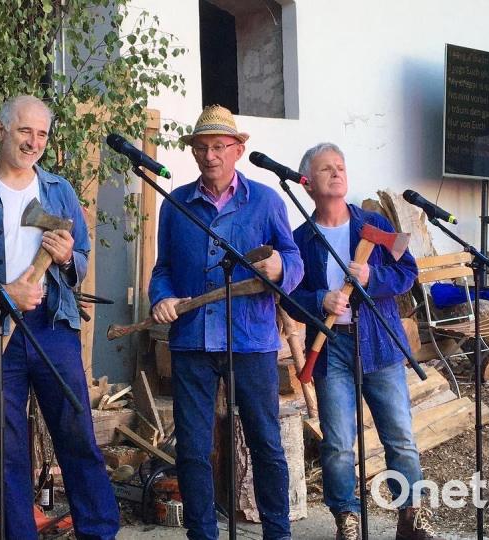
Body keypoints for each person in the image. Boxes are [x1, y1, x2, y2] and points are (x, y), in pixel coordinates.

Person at [0, 95, 119, 540]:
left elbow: (83, 261)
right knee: (6, 449)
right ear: (1, 132)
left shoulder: (59, 192)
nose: (33, 142)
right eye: (24, 131)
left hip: (52, 326)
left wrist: (69, 257)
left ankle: (99, 532)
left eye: (41, 134)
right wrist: (1, 292)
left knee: (76, 433)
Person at [148, 104, 303, 540]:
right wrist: (161, 298)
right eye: (202, 147)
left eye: (219, 146)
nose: (210, 155)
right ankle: (203, 534)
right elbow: (163, 269)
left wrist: (280, 271)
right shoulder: (176, 205)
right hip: (192, 342)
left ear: (237, 150)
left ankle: (277, 532)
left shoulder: (267, 201)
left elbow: (292, 259)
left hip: (250, 341)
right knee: (194, 452)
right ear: (194, 153)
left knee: (266, 445)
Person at [286, 142, 435, 540]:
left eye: (340, 166)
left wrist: (373, 278)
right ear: (307, 184)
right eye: (325, 169)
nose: (336, 173)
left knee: (400, 436)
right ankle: (347, 520)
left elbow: (409, 269)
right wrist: (320, 300)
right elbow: (288, 297)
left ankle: (412, 516)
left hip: (379, 341)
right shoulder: (300, 238)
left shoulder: (376, 224)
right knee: (337, 442)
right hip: (331, 343)